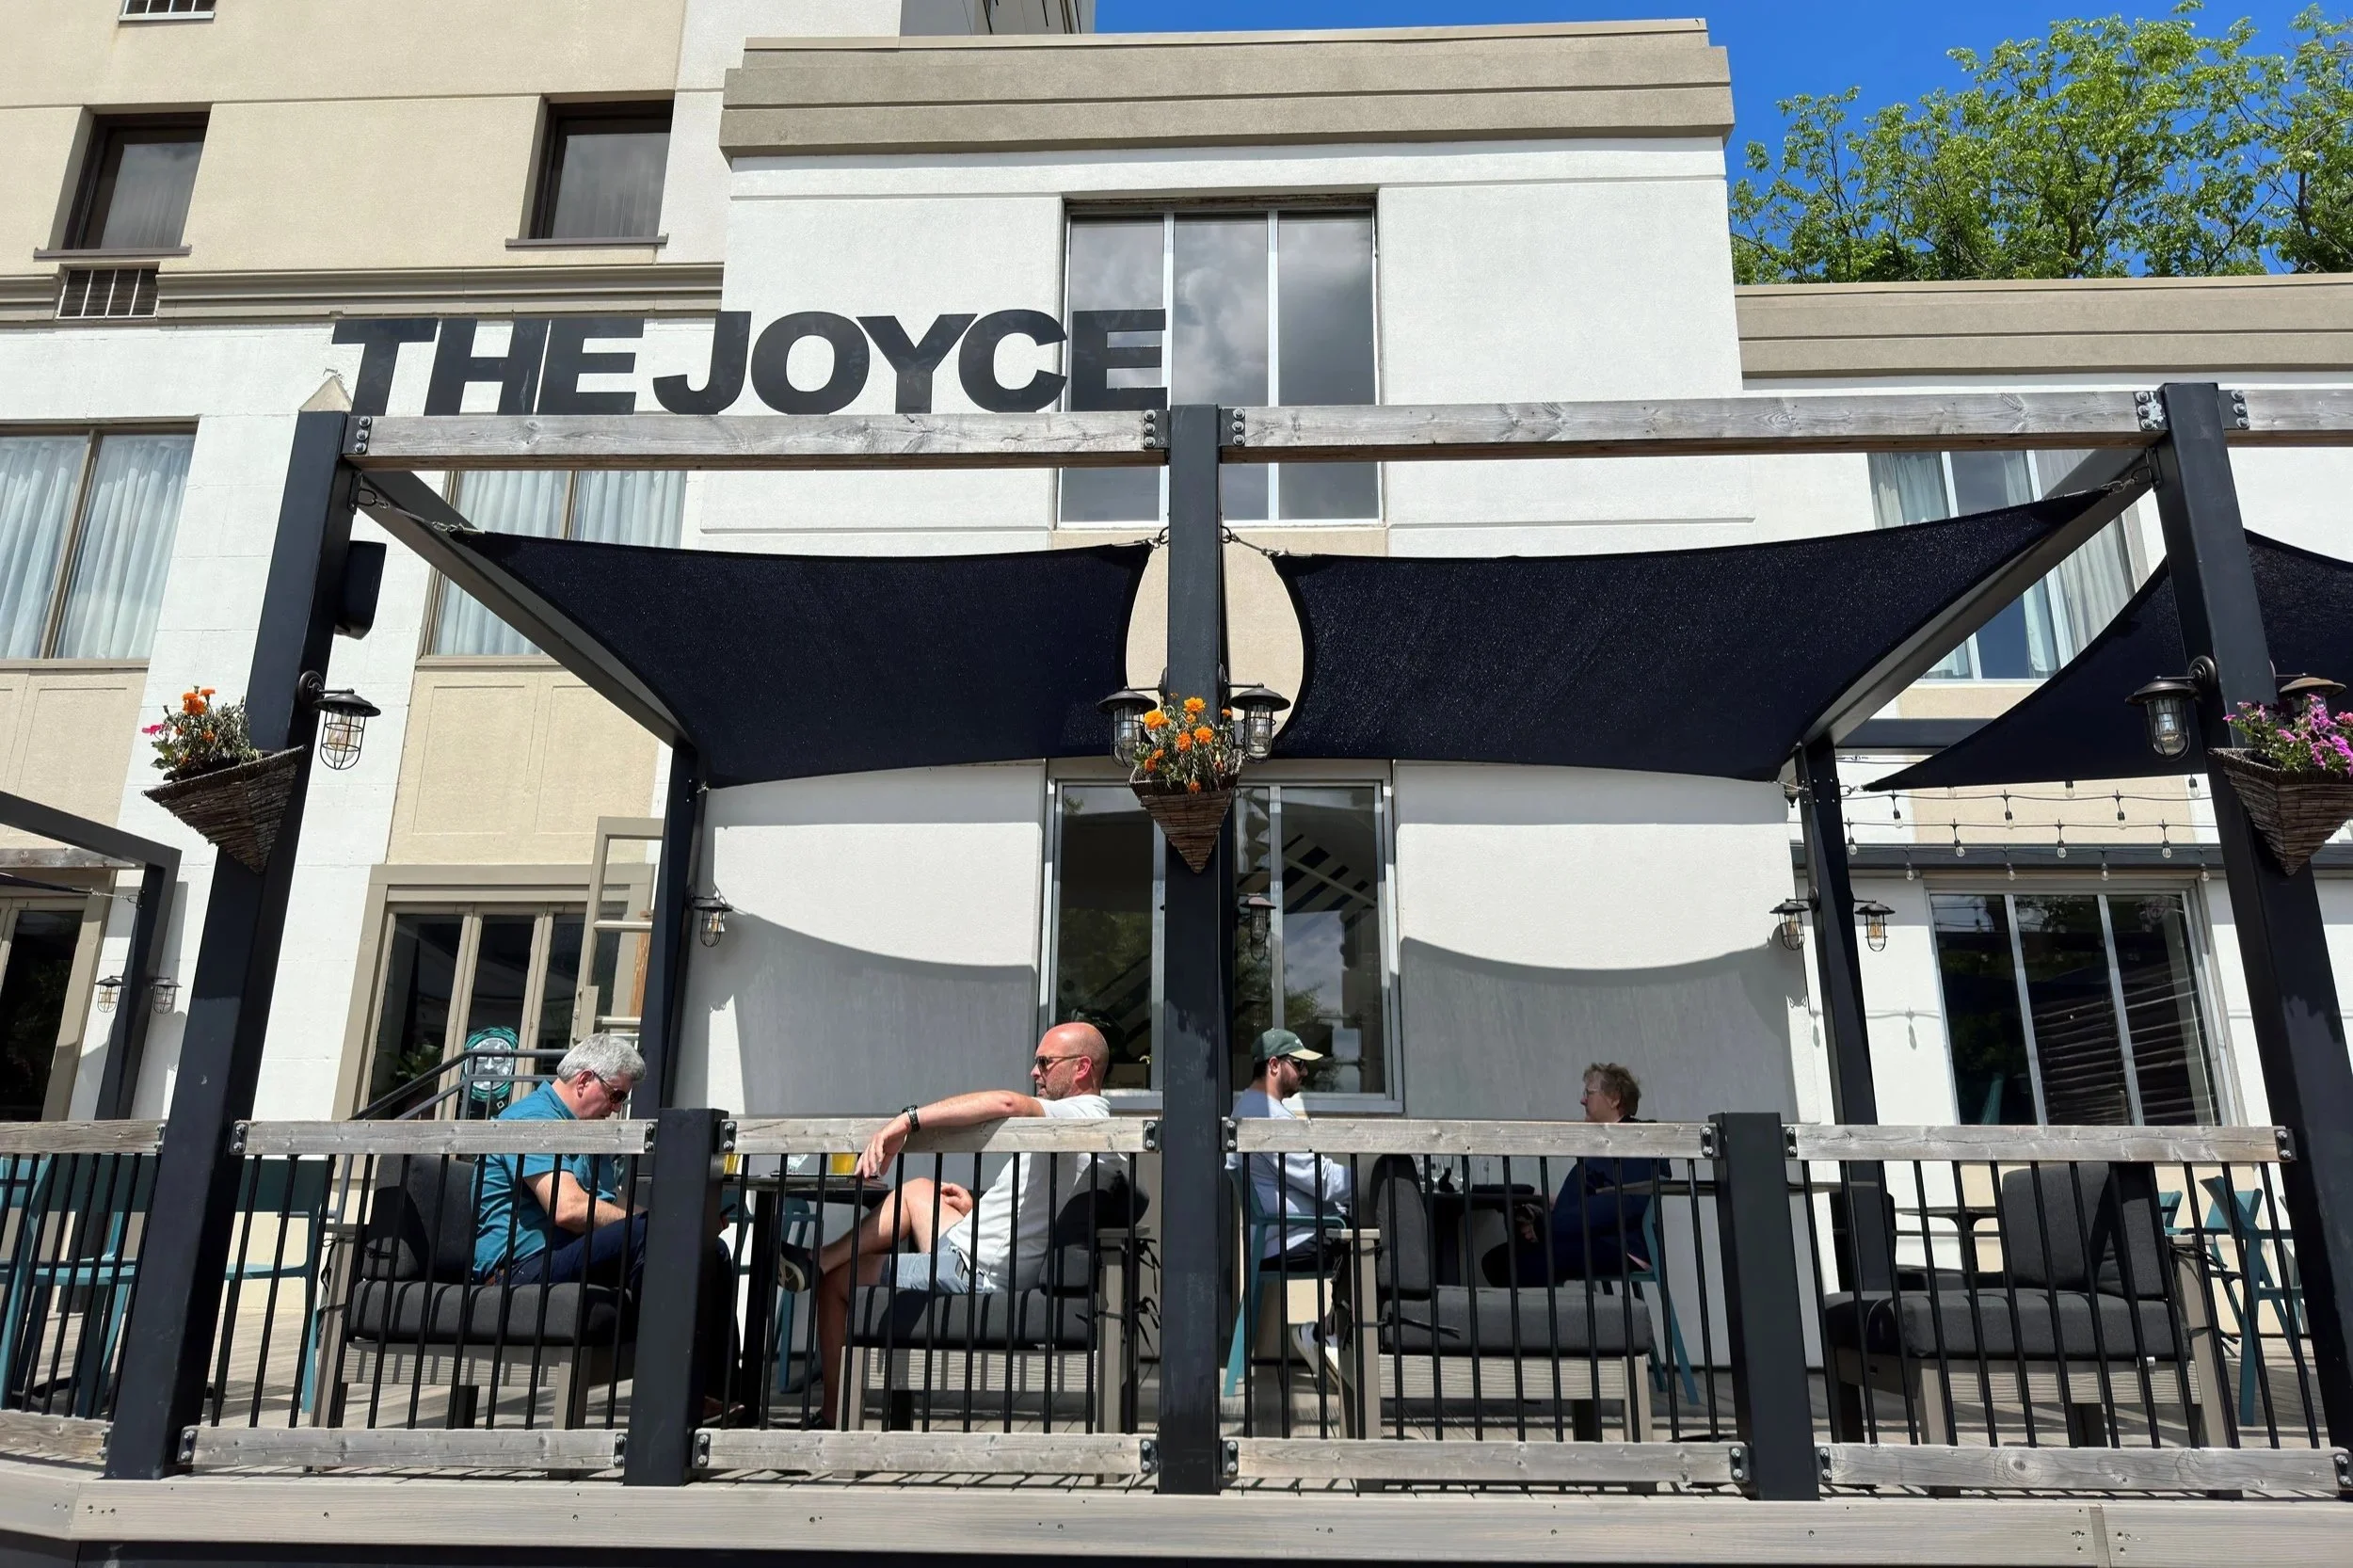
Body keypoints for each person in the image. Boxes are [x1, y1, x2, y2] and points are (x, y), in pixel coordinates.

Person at [811, 1021, 1117, 1426]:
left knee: (836, 1283)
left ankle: (832, 1414)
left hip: (975, 1273)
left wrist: (905, 1122)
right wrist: (978, 1207)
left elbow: (1007, 1104)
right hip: (975, 1252)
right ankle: (820, 1259)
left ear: (1081, 1068)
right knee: (919, 1190)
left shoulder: (1079, 1114)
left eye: (1044, 1062)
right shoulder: (1090, 1125)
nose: (1034, 1072)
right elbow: (1042, 1210)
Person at [472, 1033, 765, 1416]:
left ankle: (723, 1393)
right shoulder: (532, 1121)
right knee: (653, 1236)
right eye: (615, 1096)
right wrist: (664, 1226)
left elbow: (613, 1206)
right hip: (521, 1270)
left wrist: (686, 1225)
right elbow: (569, 1209)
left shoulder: (586, 1130)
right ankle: (666, 1392)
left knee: (709, 1249)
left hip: (565, 1257)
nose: (616, 1110)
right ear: (584, 1081)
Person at [1481, 1062, 1658, 1287]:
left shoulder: (1639, 1139)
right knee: (1502, 1259)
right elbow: (1592, 1199)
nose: (1582, 1100)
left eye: (1589, 1093)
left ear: (1614, 1098)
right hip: (1597, 1238)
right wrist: (1539, 1212)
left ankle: (1545, 1320)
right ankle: (1545, 1319)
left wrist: (1549, 1226)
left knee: (1510, 1262)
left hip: (1619, 1246)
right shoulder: (1609, 1145)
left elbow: (1623, 1203)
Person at [1230, 1029, 1352, 1263]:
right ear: (1274, 1065)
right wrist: (1369, 1182)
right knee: (1378, 1239)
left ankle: (1348, 1301)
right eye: (1298, 1064)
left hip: (1279, 1237)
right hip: (1291, 1239)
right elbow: (1322, 1180)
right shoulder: (1269, 1117)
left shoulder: (1249, 1107)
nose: (1305, 1071)